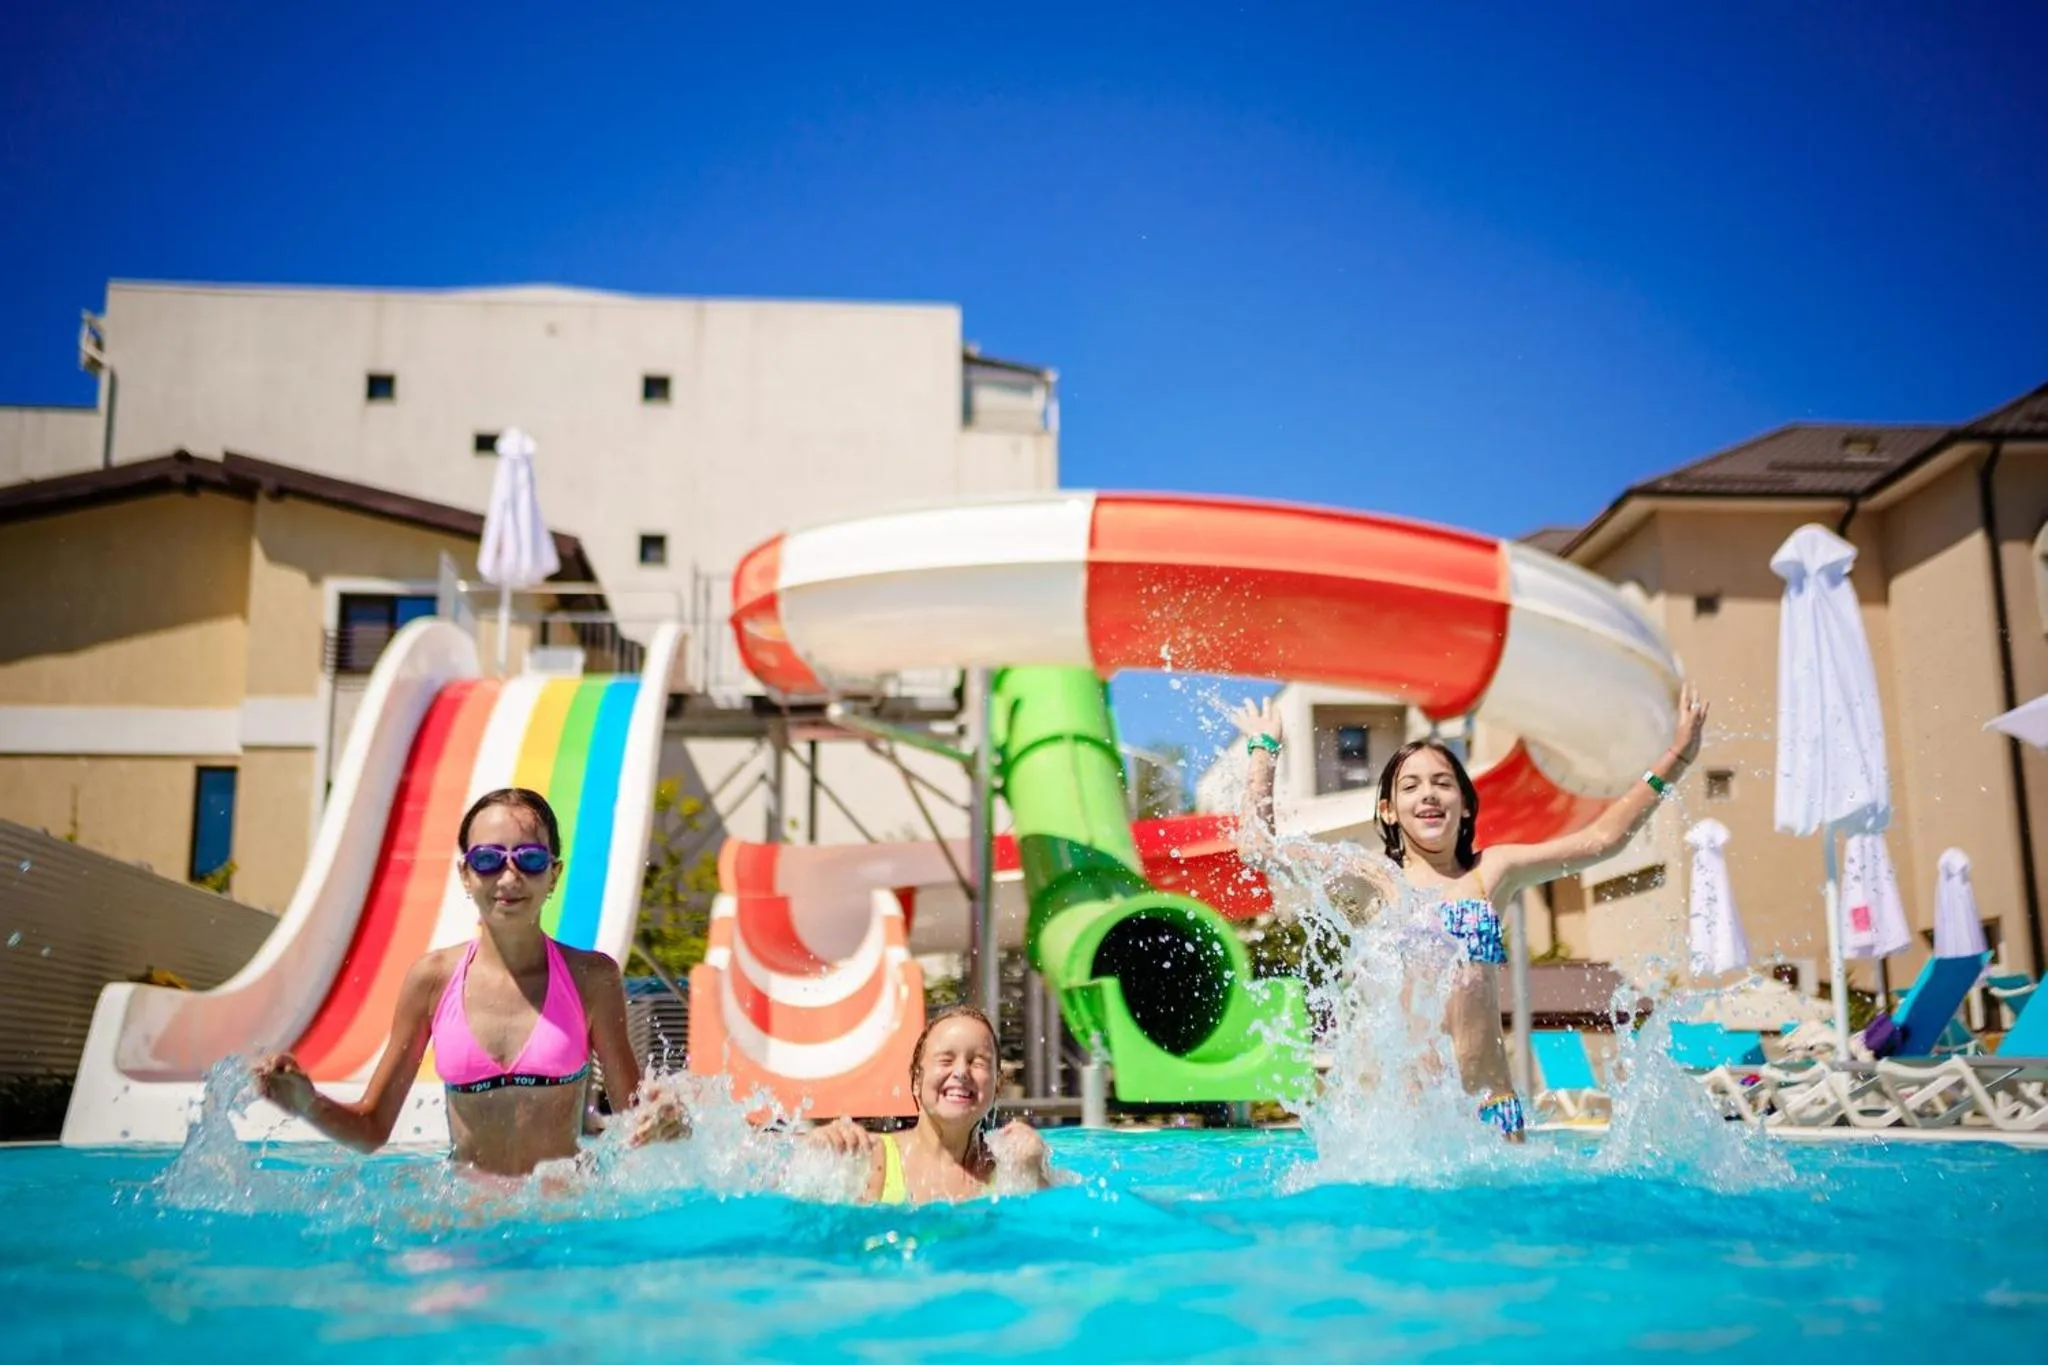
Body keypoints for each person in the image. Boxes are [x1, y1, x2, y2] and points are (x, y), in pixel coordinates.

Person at [1227, 685, 1709, 1140]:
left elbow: (1602, 840)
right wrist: (1264, 752)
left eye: (1442, 783)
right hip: (1404, 1114)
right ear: (1391, 810)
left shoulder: (1490, 872)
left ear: (1463, 805)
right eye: (1411, 786)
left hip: (1490, 1109)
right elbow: (1260, 850)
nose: (1429, 794)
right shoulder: (1373, 879)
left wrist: (1678, 757)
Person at [255, 787, 686, 1176]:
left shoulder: (591, 978)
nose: (509, 877)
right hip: (465, 1218)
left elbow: (637, 1123)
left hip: (563, 1218)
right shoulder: (431, 981)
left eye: (530, 860)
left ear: (553, 874)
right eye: (488, 860)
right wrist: (307, 1104)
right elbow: (371, 1129)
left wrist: (669, 1120)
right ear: (465, 873)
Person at [810, 1005, 1055, 1203]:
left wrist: (1032, 1173)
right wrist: (817, 1153)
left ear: (997, 1087)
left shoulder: (1011, 1167)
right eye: (946, 1060)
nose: (961, 1072)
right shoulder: (868, 1158)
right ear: (917, 1080)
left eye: (978, 1062)